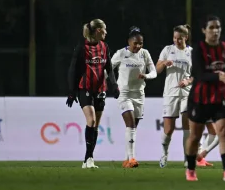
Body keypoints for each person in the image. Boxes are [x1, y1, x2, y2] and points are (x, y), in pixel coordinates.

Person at [184, 15, 225, 181]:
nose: (215, 31)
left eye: (218, 27)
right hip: (200, 98)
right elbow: (199, 74)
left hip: (220, 97)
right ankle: (191, 169)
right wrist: (218, 77)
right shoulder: (199, 49)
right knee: (195, 136)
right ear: (204, 30)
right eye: (212, 28)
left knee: (223, 132)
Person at [66, 19, 119, 169]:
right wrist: (71, 91)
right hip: (85, 88)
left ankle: (88, 159)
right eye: (104, 30)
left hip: (100, 89)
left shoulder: (104, 47)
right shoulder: (82, 47)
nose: (106, 33)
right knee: (92, 120)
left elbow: (109, 68)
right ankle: (88, 158)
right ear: (97, 31)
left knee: (95, 127)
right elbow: (72, 69)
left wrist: (114, 86)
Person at [112, 26, 157, 168]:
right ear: (129, 42)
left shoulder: (144, 54)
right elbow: (108, 69)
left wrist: (146, 76)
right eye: (135, 43)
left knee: (133, 127)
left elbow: (154, 72)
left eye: (141, 43)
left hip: (139, 94)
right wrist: (111, 85)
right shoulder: (121, 53)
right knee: (130, 124)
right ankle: (132, 159)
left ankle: (126, 159)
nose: (138, 46)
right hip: (124, 93)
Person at [156, 25, 193, 168]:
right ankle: (164, 154)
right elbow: (157, 69)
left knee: (187, 124)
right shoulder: (167, 50)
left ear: (186, 38)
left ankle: (187, 157)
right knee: (169, 129)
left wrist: (188, 80)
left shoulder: (191, 53)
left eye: (180, 38)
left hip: (186, 93)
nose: (177, 41)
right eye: (175, 38)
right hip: (170, 92)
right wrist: (164, 63)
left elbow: (197, 75)